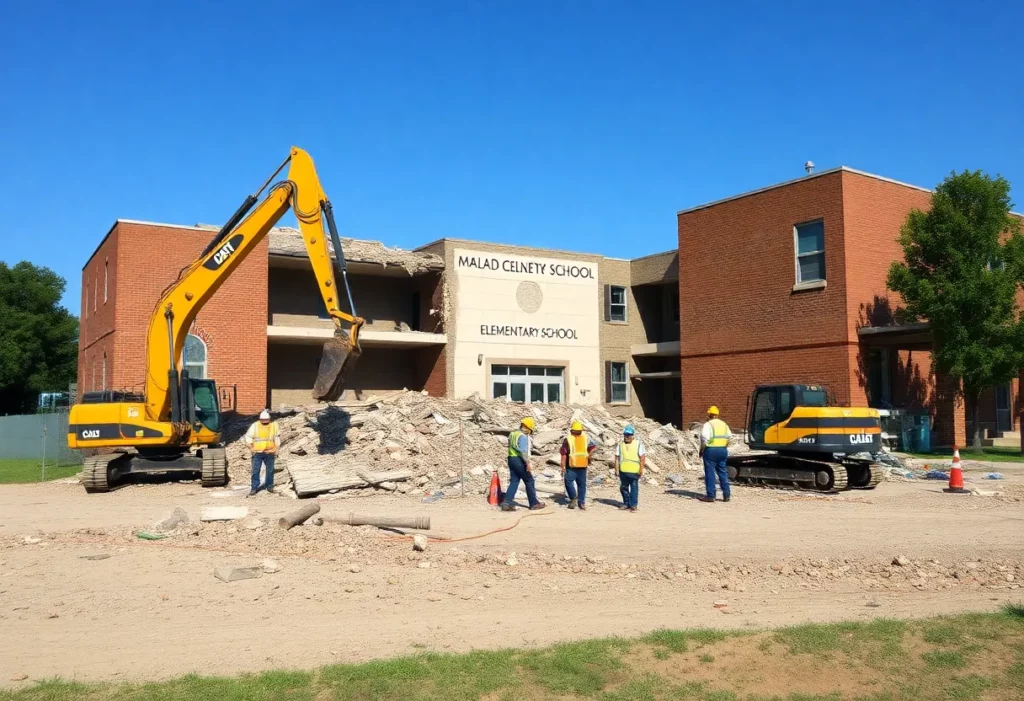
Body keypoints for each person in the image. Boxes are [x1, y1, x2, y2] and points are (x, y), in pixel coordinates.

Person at [501, 417, 546, 512]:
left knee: (514, 481)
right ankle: (534, 503)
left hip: (511, 459)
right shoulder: (522, 436)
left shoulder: (513, 434)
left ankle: (506, 503)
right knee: (529, 480)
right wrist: (527, 463)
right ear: (527, 427)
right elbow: (523, 452)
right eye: (530, 430)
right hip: (519, 460)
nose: (529, 432)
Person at [560, 420, 597, 510]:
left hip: (574, 465)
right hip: (579, 465)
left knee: (570, 482)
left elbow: (563, 453)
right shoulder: (584, 438)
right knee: (579, 484)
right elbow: (594, 447)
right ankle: (579, 501)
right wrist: (589, 455)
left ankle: (575, 499)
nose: (576, 434)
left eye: (577, 432)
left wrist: (563, 466)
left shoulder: (570, 439)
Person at [699, 405, 732, 502]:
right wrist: (724, 446)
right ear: (717, 415)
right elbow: (730, 437)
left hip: (711, 450)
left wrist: (701, 450)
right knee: (723, 472)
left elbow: (704, 439)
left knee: (710, 473)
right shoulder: (724, 424)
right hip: (722, 450)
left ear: (709, 415)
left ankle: (710, 495)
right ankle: (726, 495)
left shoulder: (708, 425)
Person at [245, 409, 280, 497]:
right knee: (256, 470)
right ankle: (254, 488)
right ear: (260, 419)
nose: (264, 422)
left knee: (270, 470)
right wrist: (251, 448)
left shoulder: (274, 426)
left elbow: (276, 438)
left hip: (270, 451)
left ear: (269, 419)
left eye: (266, 420)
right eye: (263, 420)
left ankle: (269, 486)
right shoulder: (255, 425)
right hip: (257, 452)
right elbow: (248, 436)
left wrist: (277, 449)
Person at [615, 425, 645, 511]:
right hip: (623, 471)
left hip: (634, 471)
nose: (627, 436)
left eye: (629, 435)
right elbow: (617, 458)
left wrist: (641, 469)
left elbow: (642, 458)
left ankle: (633, 505)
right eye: (625, 434)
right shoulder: (620, 445)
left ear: (632, 435)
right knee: (623, 488)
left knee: (634, 488)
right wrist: (616, 469)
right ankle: (626, 503)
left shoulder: (638, 444)